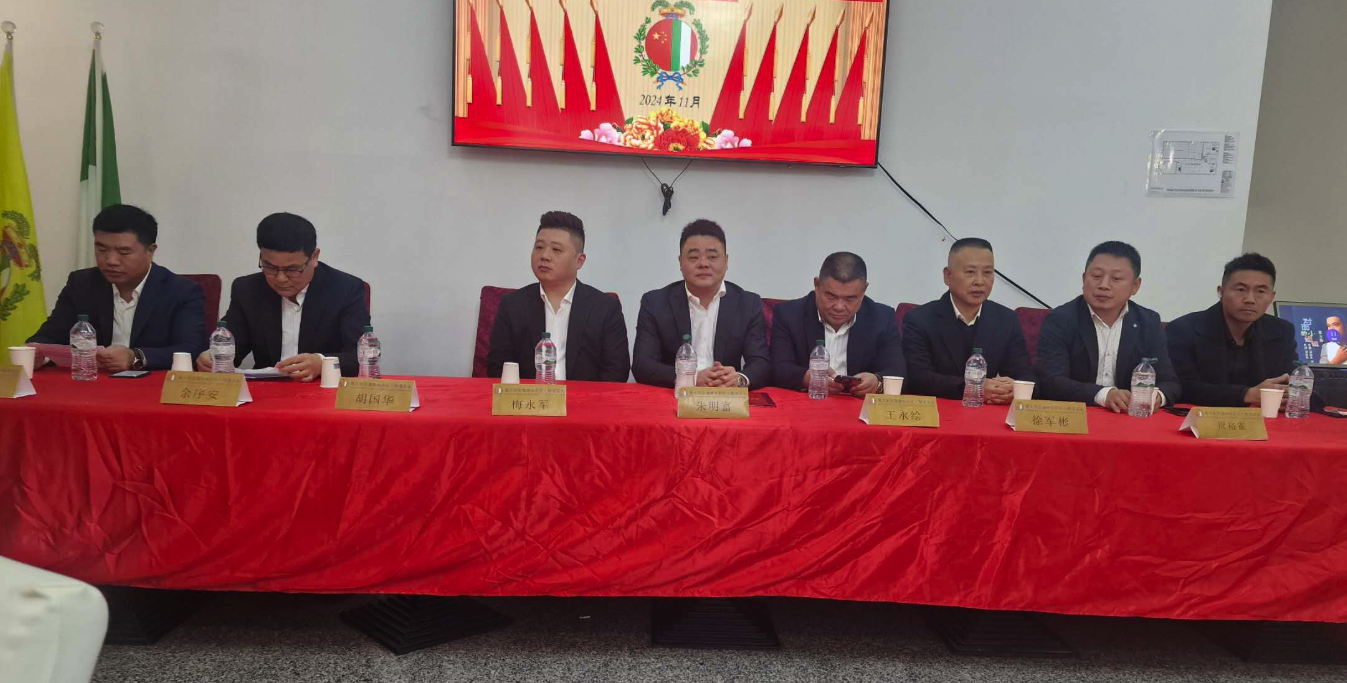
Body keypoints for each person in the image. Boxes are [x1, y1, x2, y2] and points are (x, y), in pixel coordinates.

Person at [27, 204, 205, 371]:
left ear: (150, 251)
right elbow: (49, 336)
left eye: (123, 252)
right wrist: (37, 354)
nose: (111, 261)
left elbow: (191, 348)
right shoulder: (81, 284)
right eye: (102, 250)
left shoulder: (181, 291)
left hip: (150, 385)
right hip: (93, 382)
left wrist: (136, 357)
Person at [197, 213, 369, 380]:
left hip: (320, 389)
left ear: (314, 257)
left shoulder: (345, 289)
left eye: (292, 269)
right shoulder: (247, 289)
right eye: (270, 267)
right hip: (267, 390)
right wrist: (212, 357)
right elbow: (232, 346)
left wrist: (322, 363)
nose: (280, 278)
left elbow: (360, 356)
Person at [1036, 241, 1180, 411]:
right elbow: (1051, 381)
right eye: (1096, 276)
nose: (1103, 285)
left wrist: (1156, 396)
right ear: (1084, 279)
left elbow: (1170, 382)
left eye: (1116, 279)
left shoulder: (1148, 322)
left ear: (1135, 286)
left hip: (1128, 417)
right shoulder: (1061, 319)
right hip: (1078, 414)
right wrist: (1104, 395)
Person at [486, 211, 630, 382]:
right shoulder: (512, 305)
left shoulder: (605, 308)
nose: (544, 256)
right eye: (539, 247)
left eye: (556, 249)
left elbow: (616, 373)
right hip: (528, 398)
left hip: (585, 398)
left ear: (579, 261)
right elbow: (498, 368)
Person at [632, 219, 770, 388]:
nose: (703, 264)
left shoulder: (748, 304)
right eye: (694, 257)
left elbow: (761, 363)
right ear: (681, 262)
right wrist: (691, 378)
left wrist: (739, 379)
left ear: (726, 261)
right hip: (675, 395)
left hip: (726, 396)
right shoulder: (655, 303)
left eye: (712, 257)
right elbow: (642, 365)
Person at [902, 238, 1033, 402]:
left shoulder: (1006, 320)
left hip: (986, 413)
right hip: (940, 411)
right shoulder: (919, 320)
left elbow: (1026, 376)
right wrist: (973, 388)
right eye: (970, 272)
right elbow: (918, 378)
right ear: (948, 276)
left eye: (987, 273)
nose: (979, 281)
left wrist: (1014, 388)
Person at [1167, 253, 1304, 407]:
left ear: (1271, 297)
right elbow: (1182, 386)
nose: (1250, 299)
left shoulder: (1281, 331)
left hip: (1263, 418)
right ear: (1221, 292)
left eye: (1260, 291)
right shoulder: (1184, 329)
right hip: (1200, 416)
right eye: (1240, 289)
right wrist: (1247, 395)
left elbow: (1293, 382)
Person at [770, 252, 904, 397]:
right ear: (817, 285)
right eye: (831, 297)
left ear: (864, 291)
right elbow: (777, 368)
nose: (839, 307)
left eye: (850, 299)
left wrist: (877, 382)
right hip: (808, 401)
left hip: (858, 405)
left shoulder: (882, 318)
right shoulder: (789, 314)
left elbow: (897, 371)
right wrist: (808, 378)